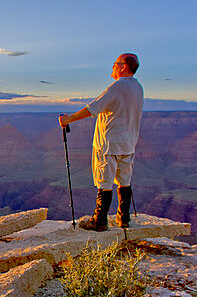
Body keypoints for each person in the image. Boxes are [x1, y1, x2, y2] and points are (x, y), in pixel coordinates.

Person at [59, 53, 144, 230]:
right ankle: (124, 218)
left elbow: (93, 108)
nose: (112, 66)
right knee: (124, 180)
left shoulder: (118, 86)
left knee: (104, 180)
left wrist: (69, 119)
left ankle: (100, 220)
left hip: (109, 143)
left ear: (124, 67)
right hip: (128, 143)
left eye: (115, 63)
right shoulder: (138, 87)